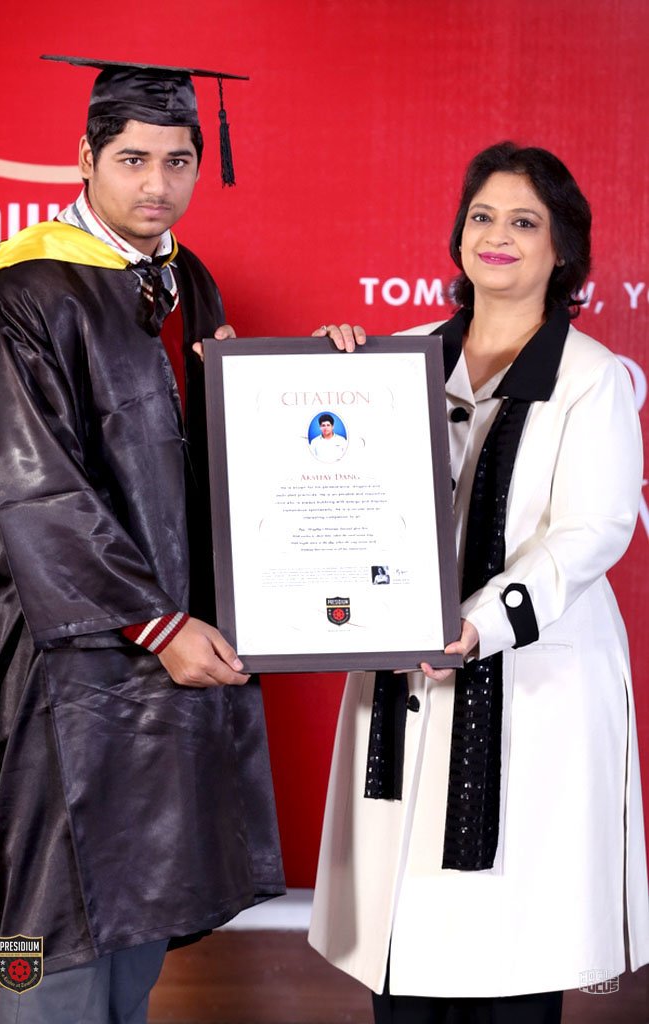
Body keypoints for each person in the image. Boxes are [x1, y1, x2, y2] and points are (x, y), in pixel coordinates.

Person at [0, 56, 284, 1024]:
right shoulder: (22, 293)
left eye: (178, 161)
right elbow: (37, 492)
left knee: (140, 901)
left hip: (171, 647)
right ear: (85, 158)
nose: (157, 184)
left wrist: (316, 385)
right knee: (51, 915)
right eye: (133, 160)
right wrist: (158, 624)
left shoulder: (187, 281)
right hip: (68, 660)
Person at [309, 142, 649, 1023]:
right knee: (404, 945)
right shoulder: (398, 360)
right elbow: (331, 482)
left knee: (512, 945)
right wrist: (318, 380)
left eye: (523, 222)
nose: (496, 236)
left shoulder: (592, 379)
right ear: (458, 236)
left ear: (561, 249)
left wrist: (479, 624)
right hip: (406, 673)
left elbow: (592, 531)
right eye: (482, 217)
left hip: (532, 676)